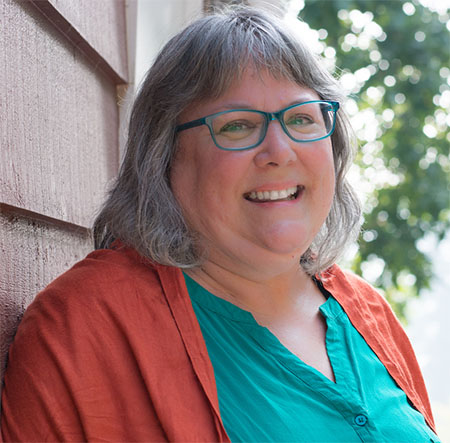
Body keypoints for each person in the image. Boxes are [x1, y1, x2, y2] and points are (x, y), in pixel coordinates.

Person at [0, 6, 440, 442]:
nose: (280, 151)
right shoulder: (86, 328)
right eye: (237, 126)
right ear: (164, 158)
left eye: (302, 118)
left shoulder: (369, 313)